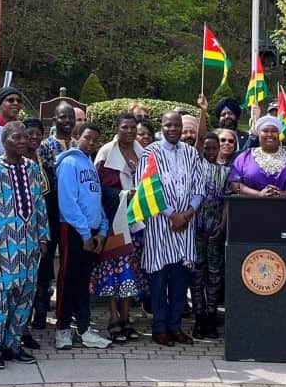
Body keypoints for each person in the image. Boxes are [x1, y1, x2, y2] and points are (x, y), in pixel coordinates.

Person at [0, 122, 49, 369]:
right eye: (17, 137)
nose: (22, 141)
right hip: (3, 246)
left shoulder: (31, 168)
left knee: (24, 296)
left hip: (29, 246)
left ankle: (13, 344)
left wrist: (43, 236)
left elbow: (39, 204)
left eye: (25, 138)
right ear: (5, 140)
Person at [140, 111, 205, 346]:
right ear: (162, 127)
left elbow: (199, 188)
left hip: (185, 228)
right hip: (160, 226)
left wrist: (187, 214)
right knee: (158, 281)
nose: (173, 129)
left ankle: (176, 326)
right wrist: (172, 215)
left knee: (180, 280)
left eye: (177, 125)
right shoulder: (150, 153)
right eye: (168, 125)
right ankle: (159, 328)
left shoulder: (191, 154)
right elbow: (146, 190)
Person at [55, 123, 112, 349]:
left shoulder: (90, 164)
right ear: (76, 137)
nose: (91, 143)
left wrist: (103, 231)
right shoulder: (69, 163)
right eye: (87, 138)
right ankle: (62, 330)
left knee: (82, 283)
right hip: (73, 231)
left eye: (95, 140)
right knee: (67, 281)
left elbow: (96, 202)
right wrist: (86, 233)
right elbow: (68, 202)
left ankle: (84, 328)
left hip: (92, 233)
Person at [228, 117, 286, 249]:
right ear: (259, 134)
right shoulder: (245, 157)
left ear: (279, 134)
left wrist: (285, 194)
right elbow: (235, 183)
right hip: (252, 217)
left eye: (274, 131)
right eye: (265, 131)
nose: (270, 134)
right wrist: (258, 195)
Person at [93, 113, 144, 342]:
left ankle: (127, 318)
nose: (130, 131)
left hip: (137, 222)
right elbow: (98, 189)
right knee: (113, 272)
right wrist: (124, 194)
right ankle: (113, 319)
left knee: (131, 272)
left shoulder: (142, 152)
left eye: (133, 128)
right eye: (125, 127)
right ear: (117, 128)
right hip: (114, 222)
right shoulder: (106, 152)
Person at [32, 102, 75, 329]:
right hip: (50, 213)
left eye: (70, 118)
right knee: (46, 262)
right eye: (62, 117)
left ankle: (68, 309)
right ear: (54, 120)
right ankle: (40, 310)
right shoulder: (46, 146)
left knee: (70, 264)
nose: (67, 121)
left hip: (72, 217)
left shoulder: (78, 144)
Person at [192, 131, 229, 339]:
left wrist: (222, 226)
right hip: (196, 229)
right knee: (197, 275)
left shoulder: (225, 172)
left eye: (215, 148)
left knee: (214, 276)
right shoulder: (196, 167)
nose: (211, 151)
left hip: (215, 230)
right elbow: (198, 138)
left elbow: (226, 203)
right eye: (207, 148)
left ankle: (211, 316)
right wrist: (203, 112)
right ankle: (199, 318)